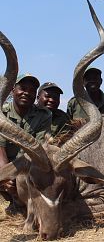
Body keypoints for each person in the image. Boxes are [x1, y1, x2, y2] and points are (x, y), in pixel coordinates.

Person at [0, 74, 52, 214]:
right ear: (12, 90)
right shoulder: (2, 112)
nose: (27, 93)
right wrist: (7, 176)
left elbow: (39, 149)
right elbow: (0, 147)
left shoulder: (44, 114)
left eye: (32, 90)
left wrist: (20, 177)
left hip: (28, 165)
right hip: (5, 164)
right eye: (23, 88)